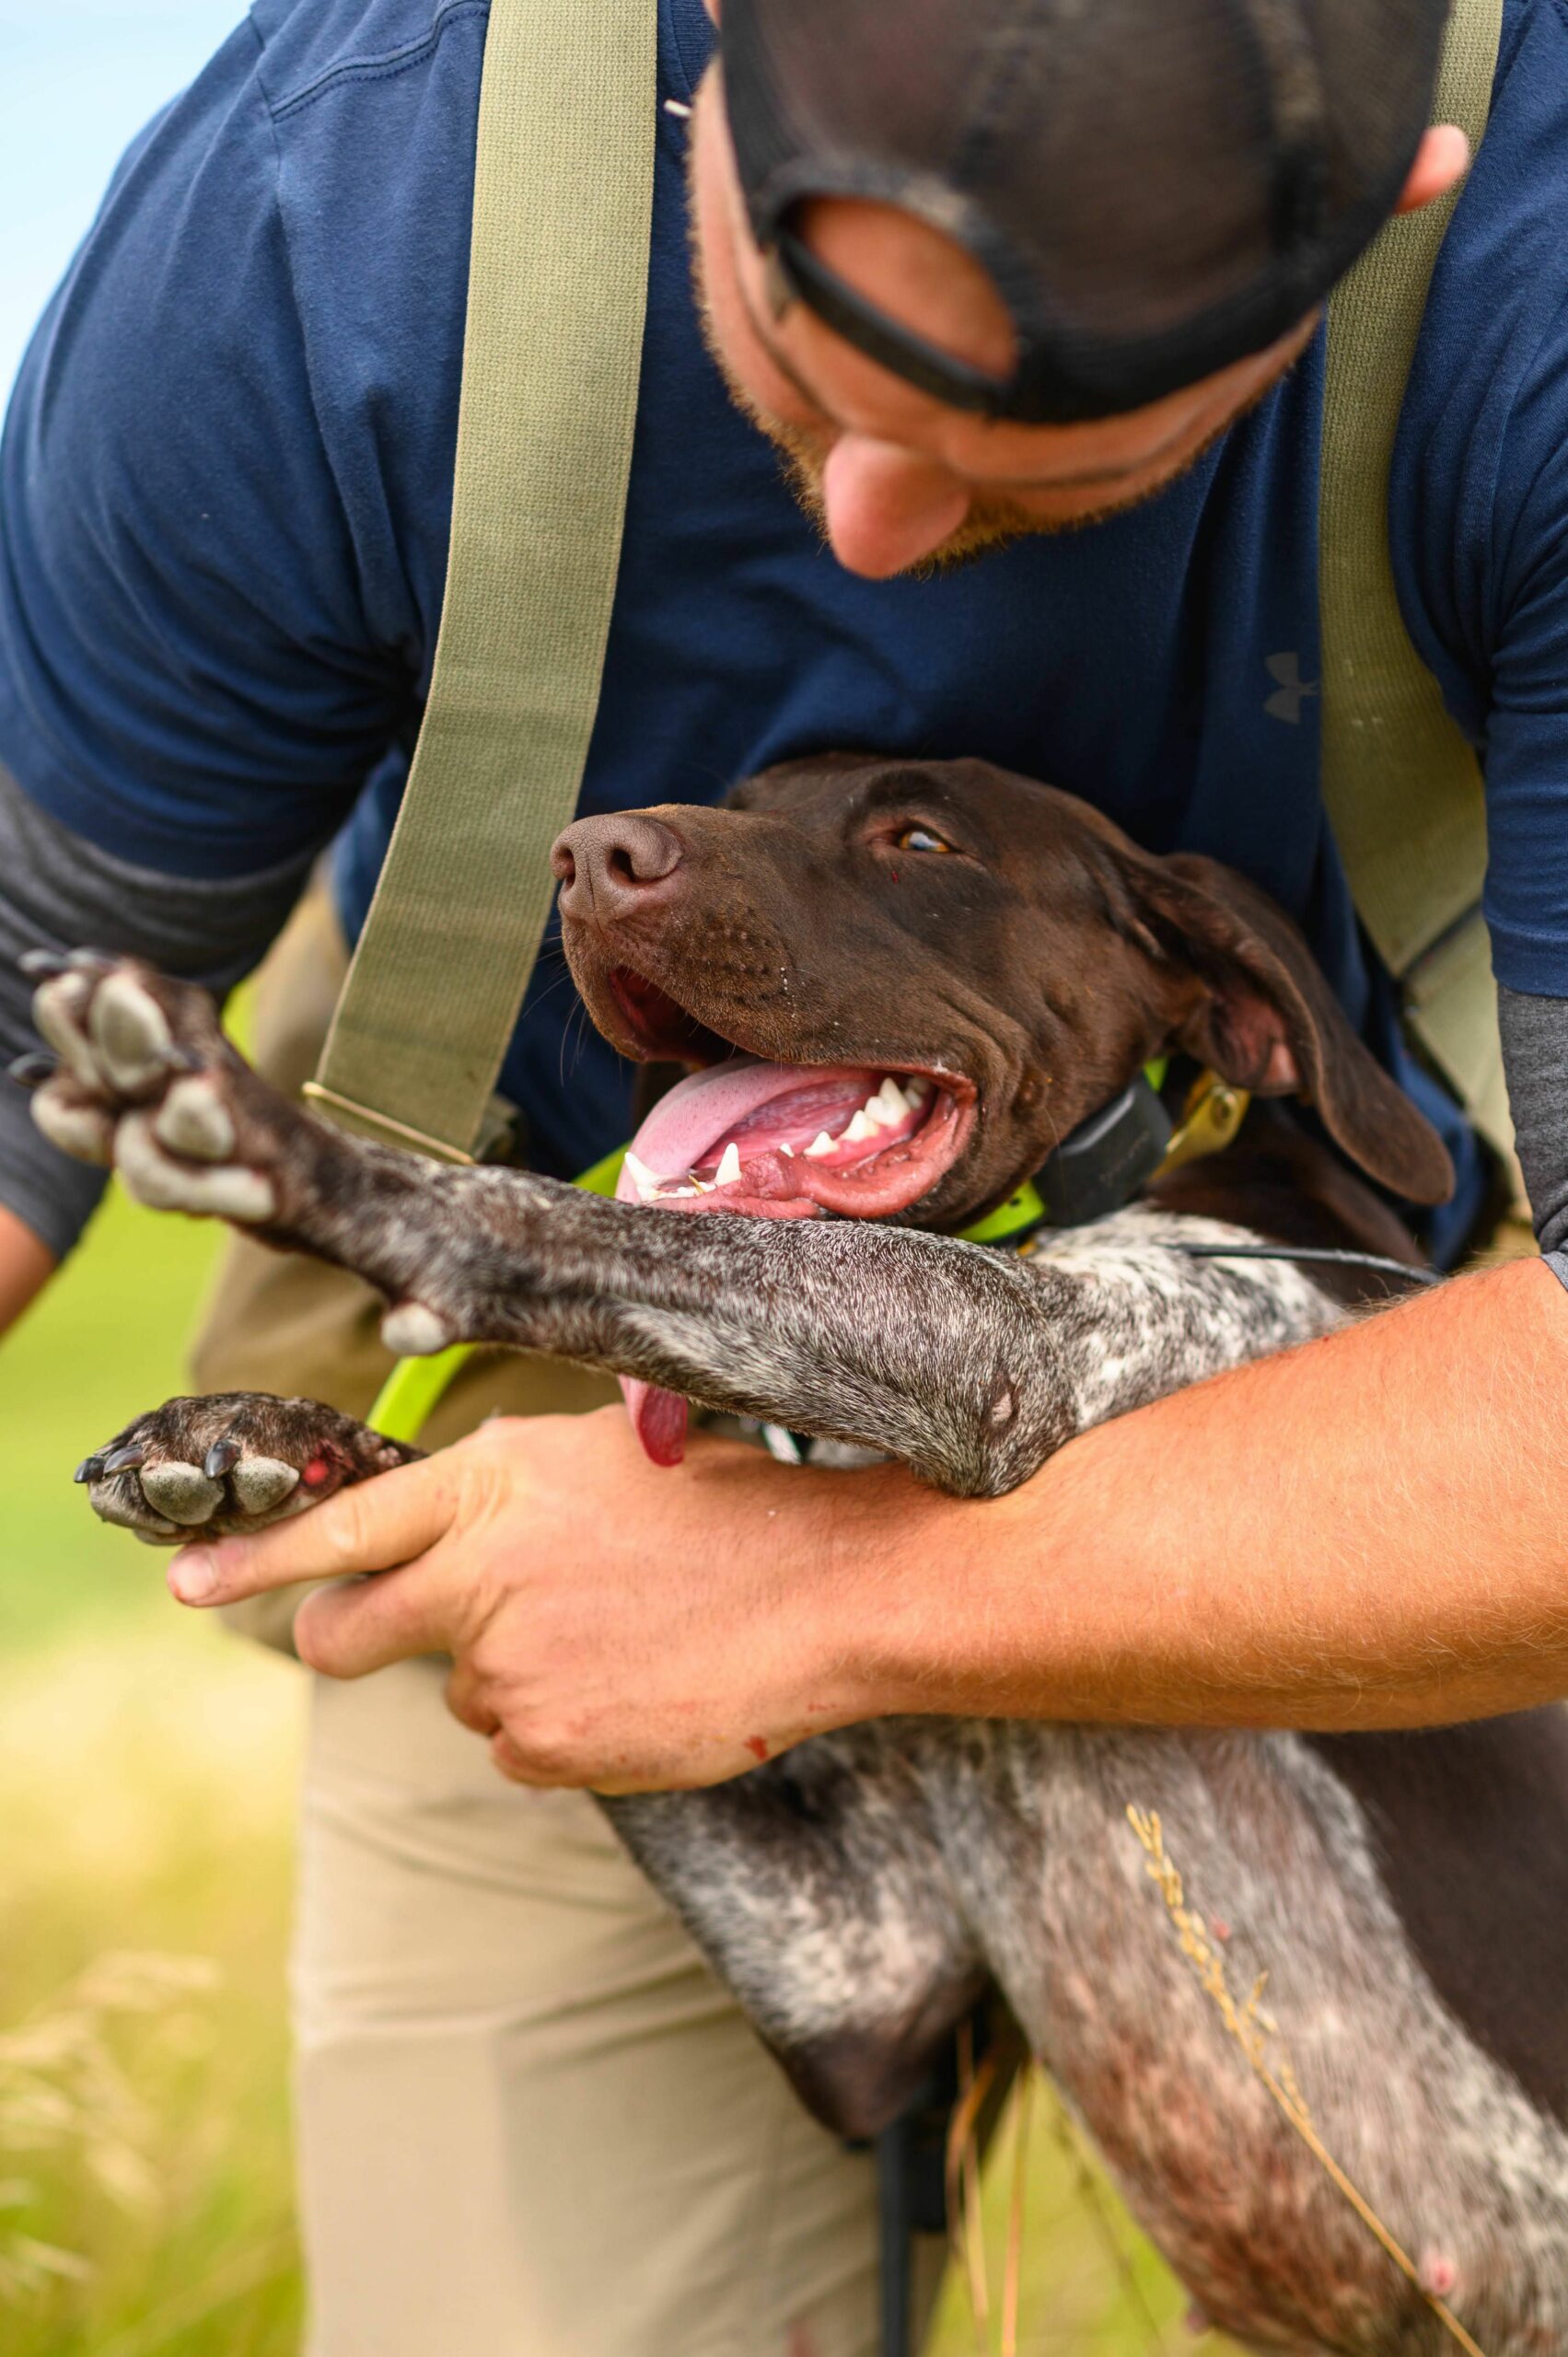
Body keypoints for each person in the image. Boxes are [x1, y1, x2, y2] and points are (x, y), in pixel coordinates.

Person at [6, 0, 1568, 2349]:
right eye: (807, 349)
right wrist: (601, 1524)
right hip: (578, 1311)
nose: (870, 530)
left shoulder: (1539, 279)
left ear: (1384, 211)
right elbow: (24, 990)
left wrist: (821, 1602)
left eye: (1025, 455)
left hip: (1419, 1326)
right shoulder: (325, 229)